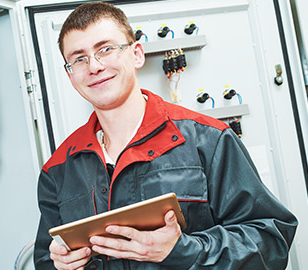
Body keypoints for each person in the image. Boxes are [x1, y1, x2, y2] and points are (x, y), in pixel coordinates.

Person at [34, 2, 298, 269]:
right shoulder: (58, 169)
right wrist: (60, 264)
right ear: (70, 75)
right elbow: (45, 258)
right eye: (79, 59)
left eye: (106, 49)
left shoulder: (207, 140)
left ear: (137, 54)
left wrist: (183, 250)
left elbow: (271, 241)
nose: (94, 66)